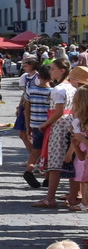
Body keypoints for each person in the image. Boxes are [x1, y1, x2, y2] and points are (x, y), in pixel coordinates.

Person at [36, 64, 82, 210]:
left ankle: (50, 198)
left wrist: (44, 125)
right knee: (72, 163)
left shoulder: (59, 88)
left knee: (55, 164)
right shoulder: (73, 88)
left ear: (61, 71)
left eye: (52, 69)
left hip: (59, 125)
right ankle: (73, 197)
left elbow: (59, 111)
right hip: (71, 123)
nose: (50, 72)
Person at [22, 56, 51, 187]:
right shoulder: (53, 92)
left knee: (36, 150)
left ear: (39, 77)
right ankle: (47, 178)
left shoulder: (31, 90)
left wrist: (28, 127)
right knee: (49, 152)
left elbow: (26, 110)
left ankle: (29, 170)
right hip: (49, 126)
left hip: (35, 124)